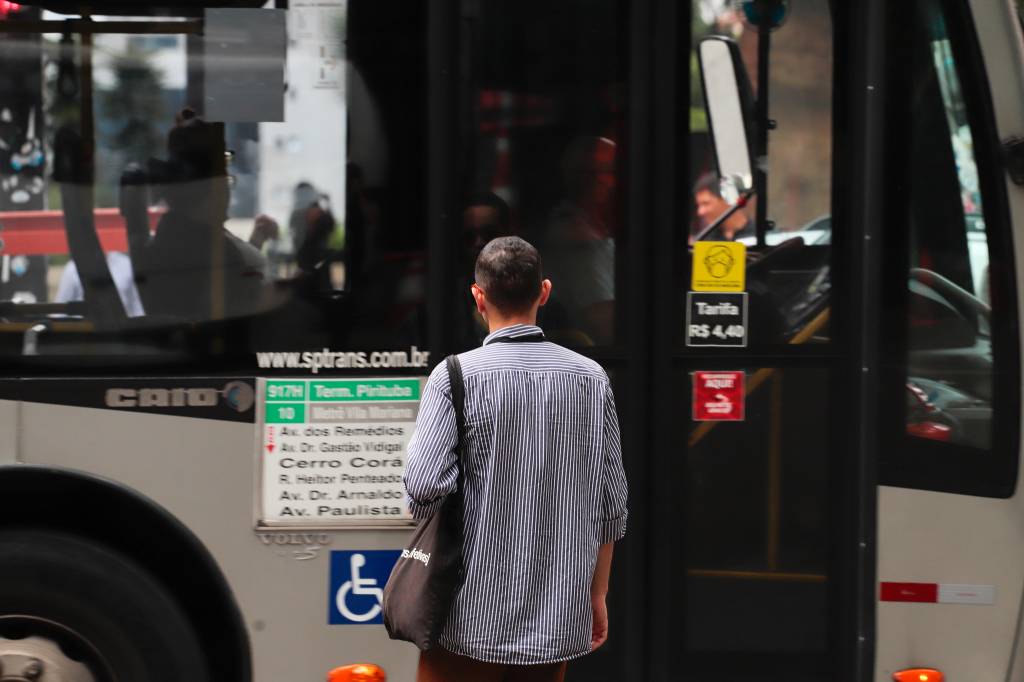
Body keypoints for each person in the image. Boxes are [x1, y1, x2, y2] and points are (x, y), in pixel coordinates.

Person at [404, 236, 629, 682]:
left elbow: (425, 486)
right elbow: (612, 505)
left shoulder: (454, 377)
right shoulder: (592, 380)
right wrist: (596, 595)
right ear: (544, 292)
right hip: (556, 617)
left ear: (478, 297)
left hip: (468, 616)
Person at [132, 108, 266, 321]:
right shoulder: (209, 249)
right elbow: (238, 307)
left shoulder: (177, 235)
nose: (228, 190)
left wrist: (257, 240)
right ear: (213, 189)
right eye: (225, 180)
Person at [692, 172, 754, 242]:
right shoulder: (703, 240)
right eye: (699, 205)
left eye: (706, 203)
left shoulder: (758, 234)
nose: (700, 212)